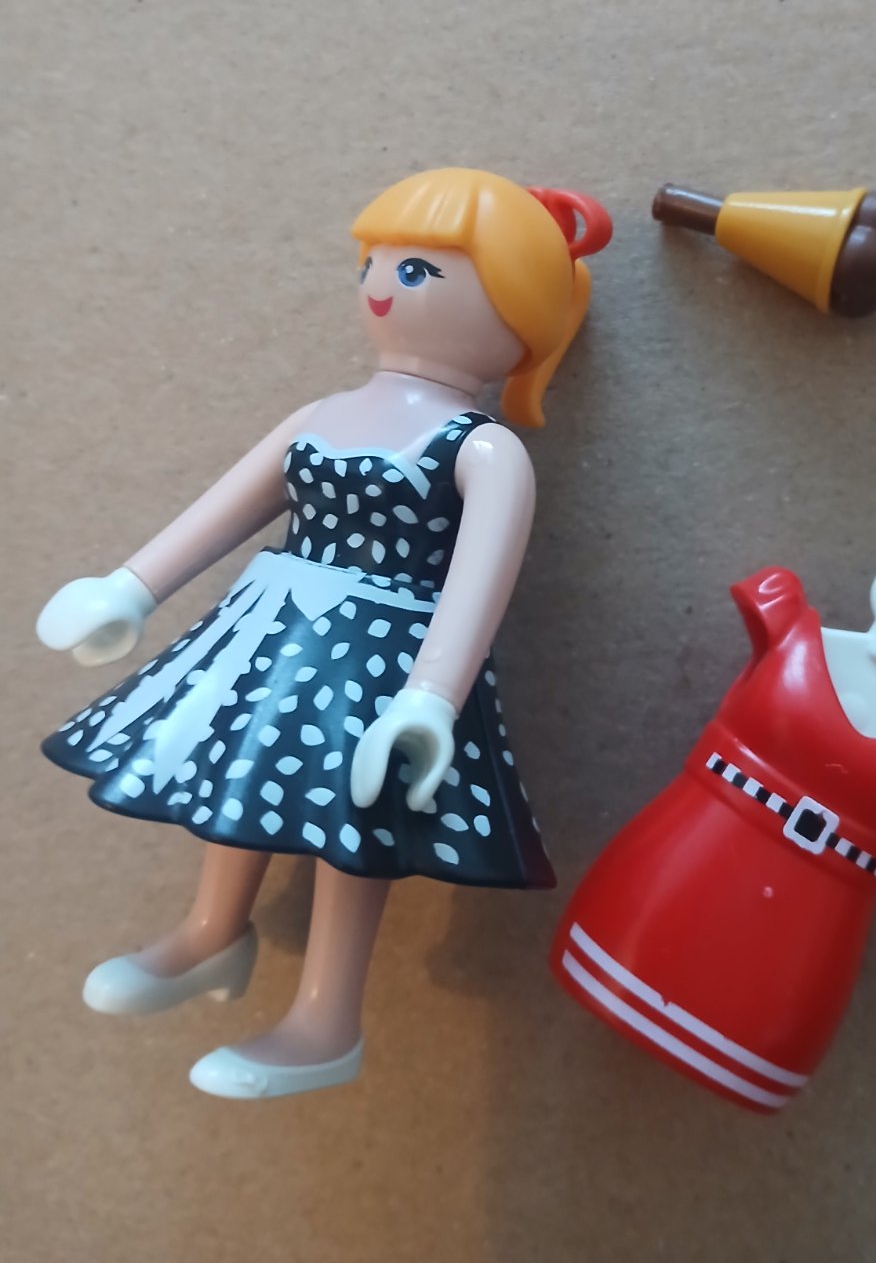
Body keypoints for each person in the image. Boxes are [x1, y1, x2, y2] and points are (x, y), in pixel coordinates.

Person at [37, 167, 611, 1099]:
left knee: (355, 819)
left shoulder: (485, 449)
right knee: (237, 768)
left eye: (418, 271)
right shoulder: (321, 417)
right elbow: (224, 509)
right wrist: (128, 589)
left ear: (518, 308)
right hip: (272, 631)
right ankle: (211, 933)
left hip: (382, 665)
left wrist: (431, 700)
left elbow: (480, 586)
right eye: (373, 263)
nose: (382, 285)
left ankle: (326, 1020)